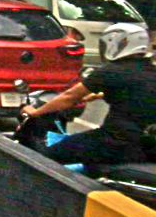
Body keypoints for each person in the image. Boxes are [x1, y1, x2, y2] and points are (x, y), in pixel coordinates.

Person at [21, 23, 156, 174]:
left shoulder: (111, 71)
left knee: (49, 156)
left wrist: (36, 112)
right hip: (147, 145)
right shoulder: (150, 70)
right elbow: (136, 94)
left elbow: (69, 97)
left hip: (115, 142)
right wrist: (97, 96)